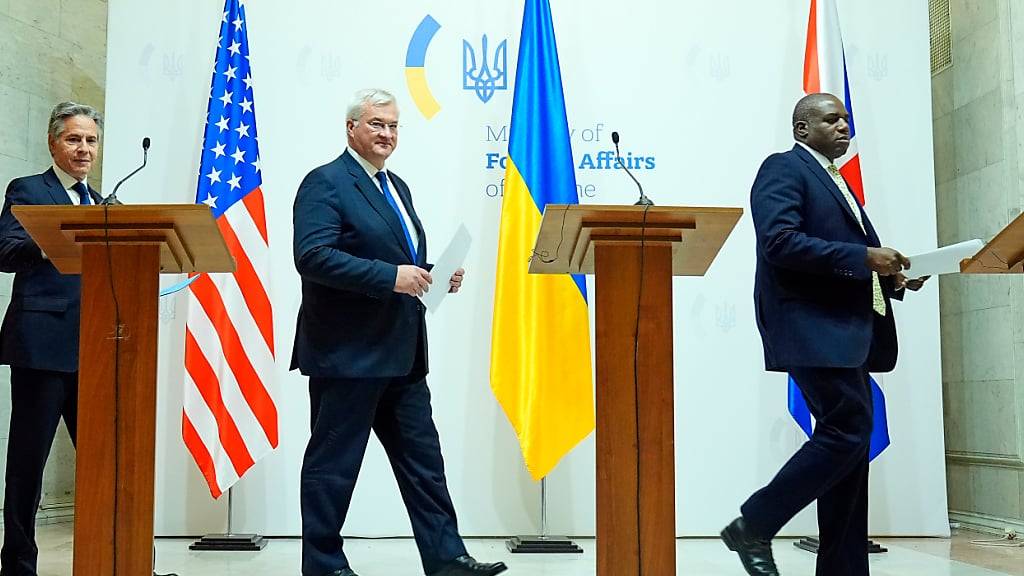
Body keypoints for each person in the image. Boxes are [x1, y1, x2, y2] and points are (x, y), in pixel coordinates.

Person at [291, 89, 507, 576]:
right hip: (347, 355)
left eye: (393, 126)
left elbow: (392, 256)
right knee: (334, 467)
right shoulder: (325, 183)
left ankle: (447, 558)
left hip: (402, 355)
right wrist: (394, 277)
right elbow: (313, 256)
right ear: (352, 129)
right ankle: (323, 565)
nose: (387, 134)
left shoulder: (398, 186)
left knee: (424, 465)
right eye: (376, 124)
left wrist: (431, 272)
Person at [720, 93, 928, 576]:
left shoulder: (837, 182)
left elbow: (842, 255)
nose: (843, 126)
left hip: (845, 330)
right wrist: (863, 257)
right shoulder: (784, 168)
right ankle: (754, 522)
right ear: (801, 129)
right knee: (849, 431)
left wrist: (889, 275)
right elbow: (780, 242)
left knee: (851, 450)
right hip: (812, 327)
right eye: (831, 118)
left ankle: (843, 570)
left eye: (846, 119)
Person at [0, 101, 103, 575]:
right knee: (28, 466)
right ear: (53, 142)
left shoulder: (103, 204)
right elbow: (5, 249)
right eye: (74, 139)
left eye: (91, 140)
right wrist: (53, 241)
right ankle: (19, 565)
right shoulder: (29, 190)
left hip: (98, 350)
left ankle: (117, 560)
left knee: (108, 463)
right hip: (42, 346)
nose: (83, 149)